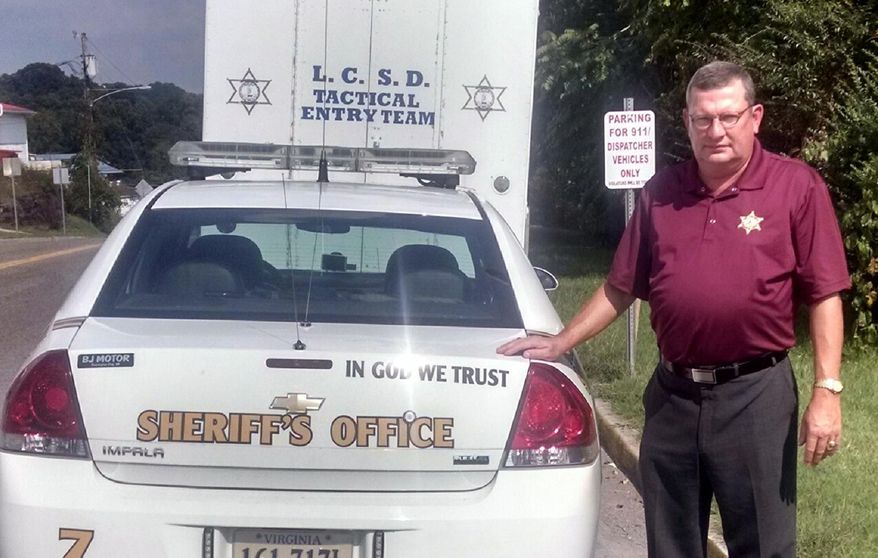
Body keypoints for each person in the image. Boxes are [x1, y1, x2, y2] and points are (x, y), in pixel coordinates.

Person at [498, 61, 850, 558]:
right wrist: (561, 342)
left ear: (755, 117)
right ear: (686, 122)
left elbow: (825, 294)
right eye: (703, 119)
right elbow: (621, 287)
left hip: (756, 396)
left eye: (729, 117)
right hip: (673, 397)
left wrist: (826, 391)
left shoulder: (795, 187)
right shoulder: (661, 193)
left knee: (764, 546)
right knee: (670, 544)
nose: (716, 130)